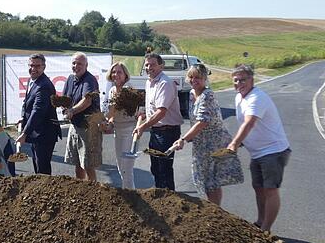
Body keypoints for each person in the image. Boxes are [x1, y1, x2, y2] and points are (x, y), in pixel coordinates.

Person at [226, 64, 291, 232]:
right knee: (258, 188)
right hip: (257, 152)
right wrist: (239, 142)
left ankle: (266, 229)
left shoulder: (257, 98)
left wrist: (234, 143)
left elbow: (249, 123)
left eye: (243, 80)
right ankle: (260, 222)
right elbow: (245, 125)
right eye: (236, 80)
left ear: (252, 80)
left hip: (273, 151)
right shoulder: (239, 97)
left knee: (270, 189)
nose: (239, 83)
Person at [172, 64, 243, 205]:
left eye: (198, 77)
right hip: (201, 143)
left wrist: (183, 139)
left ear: (205, 78)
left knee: (212, 180)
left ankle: (216, 211)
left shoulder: (207, 95)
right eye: (191, 77)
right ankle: (213, 210)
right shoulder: (192, 94)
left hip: (213, 142)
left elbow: (202, 122)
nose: (194, 80)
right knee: (204, 178)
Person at [133, 53, 183, 190]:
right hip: (156, 131)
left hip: (167, 132)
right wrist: (143, 114)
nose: (149, 67)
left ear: (161, 65)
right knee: (155, 168)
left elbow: (161, 112)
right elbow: (152, 106)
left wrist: (143, 127)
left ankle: (170, 200)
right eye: (147, 64)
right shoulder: (149, 82)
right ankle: (161, 200)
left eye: (153, 64)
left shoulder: (164, 83)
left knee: (164, 169)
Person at [16, 53, 61, 175]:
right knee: (37, 165)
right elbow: (26, 103)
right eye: (31, 65)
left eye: (37, 66)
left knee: (42, 169)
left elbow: (38, 111)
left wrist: (25, 133)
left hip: (44, 133)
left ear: (44, 67)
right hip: (37, 133)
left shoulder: (44, 86)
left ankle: (47, 192)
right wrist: (22, 118)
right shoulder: (32, 80)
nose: (33, 69)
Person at [61, 52, 102, 181]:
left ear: (86, 65)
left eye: (79, 63)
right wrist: (64, 107)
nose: (76, 66)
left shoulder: (89, 80)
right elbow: (65, 99)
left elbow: (87, 100)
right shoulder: (70, 79)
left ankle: (94, 192)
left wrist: (72, 110)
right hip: (75, 125)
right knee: (77, 162)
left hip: (88, 127)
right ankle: (81, 191)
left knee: (88, 164)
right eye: (74, 63)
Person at [104, 62, 139, 189]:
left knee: (127, 168)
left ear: (125, 75)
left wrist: (102, 120)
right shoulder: (113, 90)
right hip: (118, 130)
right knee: (120, 167)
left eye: (119, 72)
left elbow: (113, 109)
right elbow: (113, 114)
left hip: (129, 131)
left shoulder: (127, 90)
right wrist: (110, 122)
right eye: (114, 72)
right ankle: (128, 192)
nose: (116, 75)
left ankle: (130, 195)